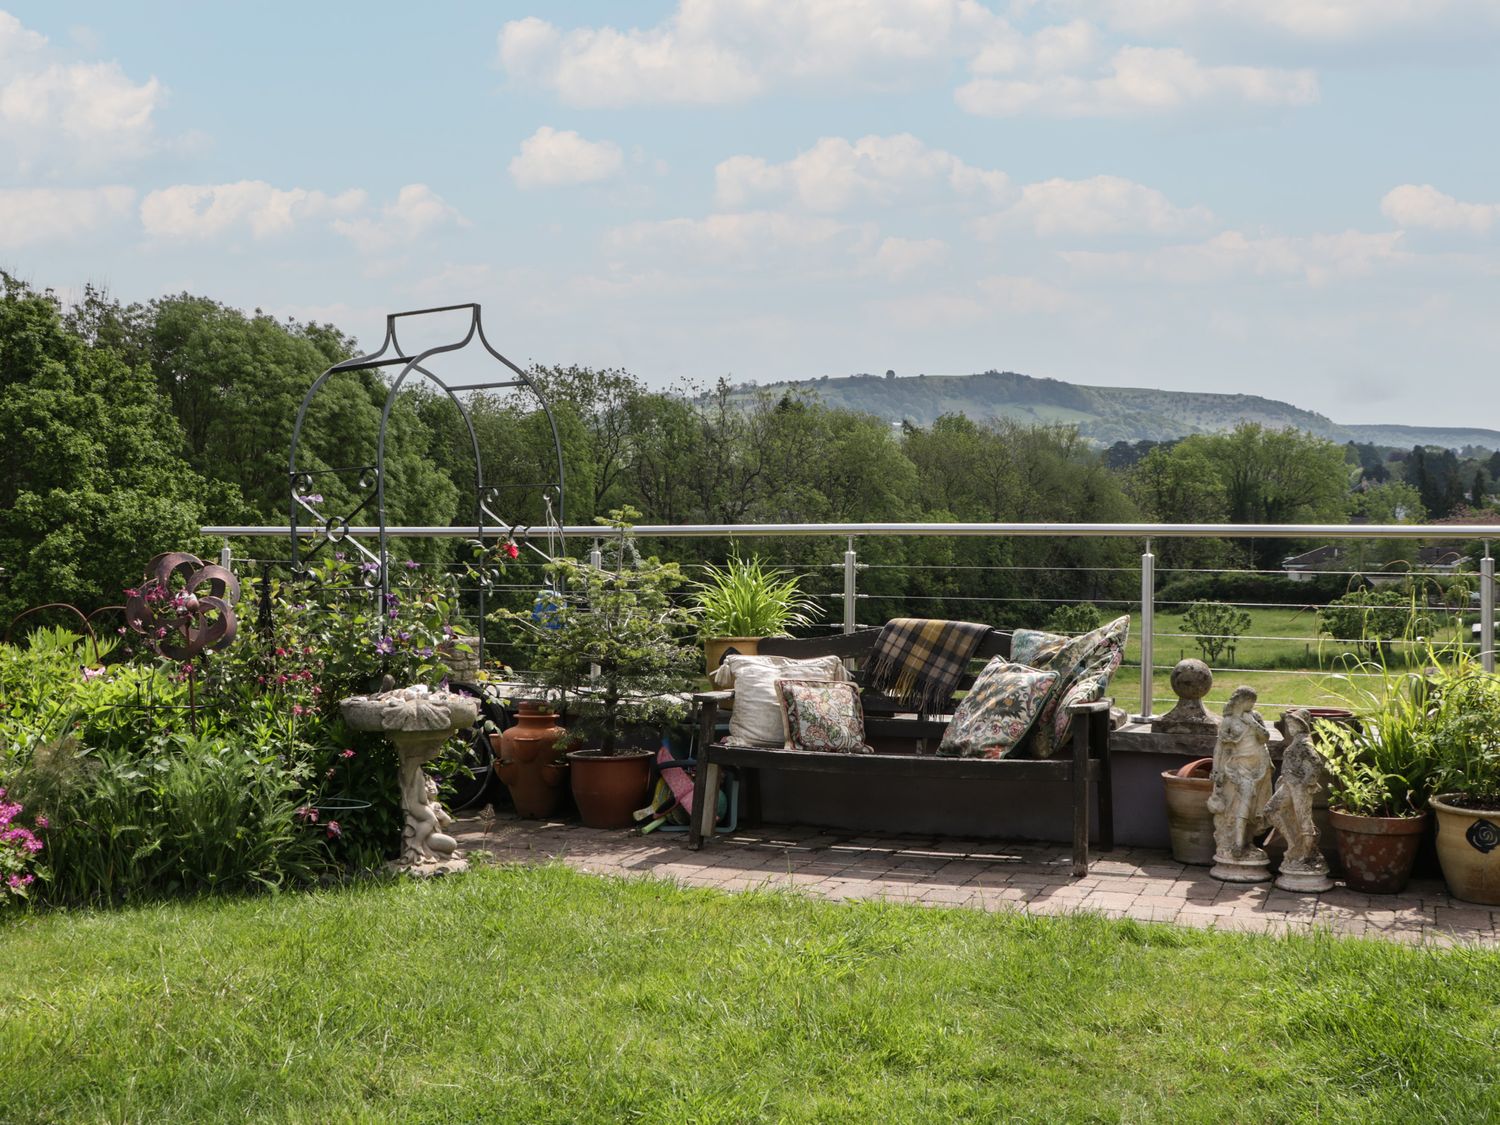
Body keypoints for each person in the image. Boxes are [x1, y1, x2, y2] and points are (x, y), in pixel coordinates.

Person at [1206, 686, 1273, 865]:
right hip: (1237, 768)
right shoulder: (1228, 721)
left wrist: (1251, 722)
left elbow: (1265, 737)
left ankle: (1246, 842)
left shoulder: (1255, 717)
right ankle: (1234, 843)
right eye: (1251, 701)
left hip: (1258, 768)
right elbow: (1220, 747)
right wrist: (1216, 769)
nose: (1253, 705)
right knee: (1236, 805)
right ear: (1242, 700)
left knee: (1253, 806)